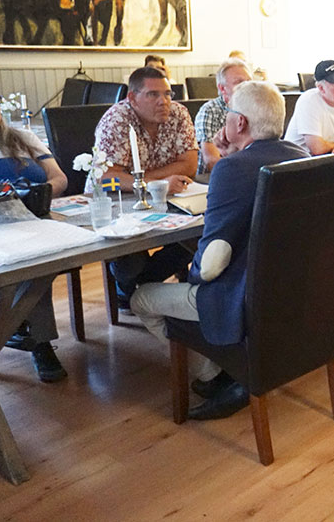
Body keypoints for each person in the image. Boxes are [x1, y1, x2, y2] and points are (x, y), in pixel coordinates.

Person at [131, 81, 308, 420]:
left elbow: (211, 266)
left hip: (242, 296)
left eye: (228, 114)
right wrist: (232, 156)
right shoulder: (301, 156)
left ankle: (216, 375)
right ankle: (227, 367)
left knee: (142, 299)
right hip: (290, 288)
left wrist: (193, 280)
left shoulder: (232, 169)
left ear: (239, 122)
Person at [0, 79, 69, 382]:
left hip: (33, 220)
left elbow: (58, 177)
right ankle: (39, 343)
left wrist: (41, 192)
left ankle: (23, 330)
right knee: (33, 266)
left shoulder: (23, 138)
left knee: (41, 262)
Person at [93, 66, 198, 313]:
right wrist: (155, 184)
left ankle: (138, 289)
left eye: (167, 94)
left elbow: (189, 165)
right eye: (153, 94)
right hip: (118, 202)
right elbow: (106, 177)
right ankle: (132, 288)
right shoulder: (117, 119)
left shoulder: (179, 114)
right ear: (132, 98)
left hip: (169, 200)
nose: (163, 101)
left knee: (198, 236)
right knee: (131, 254)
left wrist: (147, 181)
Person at [284, 59, 334, 155]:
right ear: (321, 88)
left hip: (330, 156)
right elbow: (317, 148)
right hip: (300, 157)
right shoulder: (308, 101)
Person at [193, 57, 252, 174]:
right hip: (214, 176)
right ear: (222, 88)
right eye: (239, 83)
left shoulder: (254, 109)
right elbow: (211, 161)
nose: (246, 87)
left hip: (247, 172)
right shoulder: (210, 111)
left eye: (249, 82)